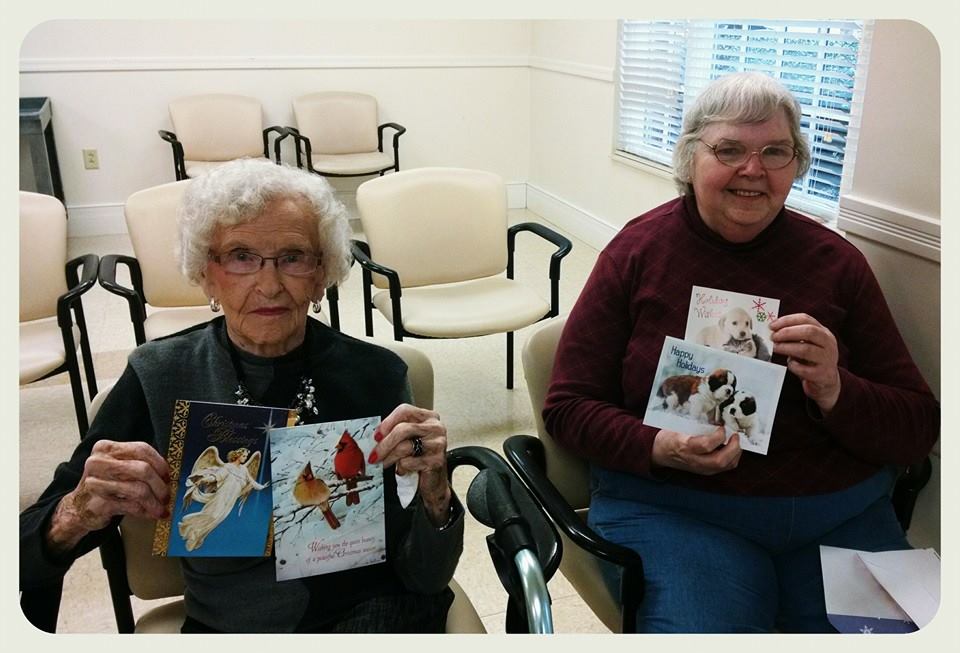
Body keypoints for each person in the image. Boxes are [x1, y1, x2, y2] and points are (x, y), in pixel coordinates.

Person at [542, 72, 939, 633]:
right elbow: (568, 406)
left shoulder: (836, 264)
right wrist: (661, 446)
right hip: (679, 511)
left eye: (775, 151)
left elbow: (917, 428)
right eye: (729, 149)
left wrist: (835, 388)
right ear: (689, 160)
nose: (753, 170)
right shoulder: (637, 252)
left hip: (836, 514)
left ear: (797, 164)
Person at [20, 158, 464, 633]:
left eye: (293, 257)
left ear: (321, 275)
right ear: (207, 274)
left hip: (369, 615)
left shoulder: (376, 375)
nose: (269, 284)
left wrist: (437, 491)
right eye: (240, 256)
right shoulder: (161, 374)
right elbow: (25, 555)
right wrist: (76, 512)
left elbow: (425, 576)